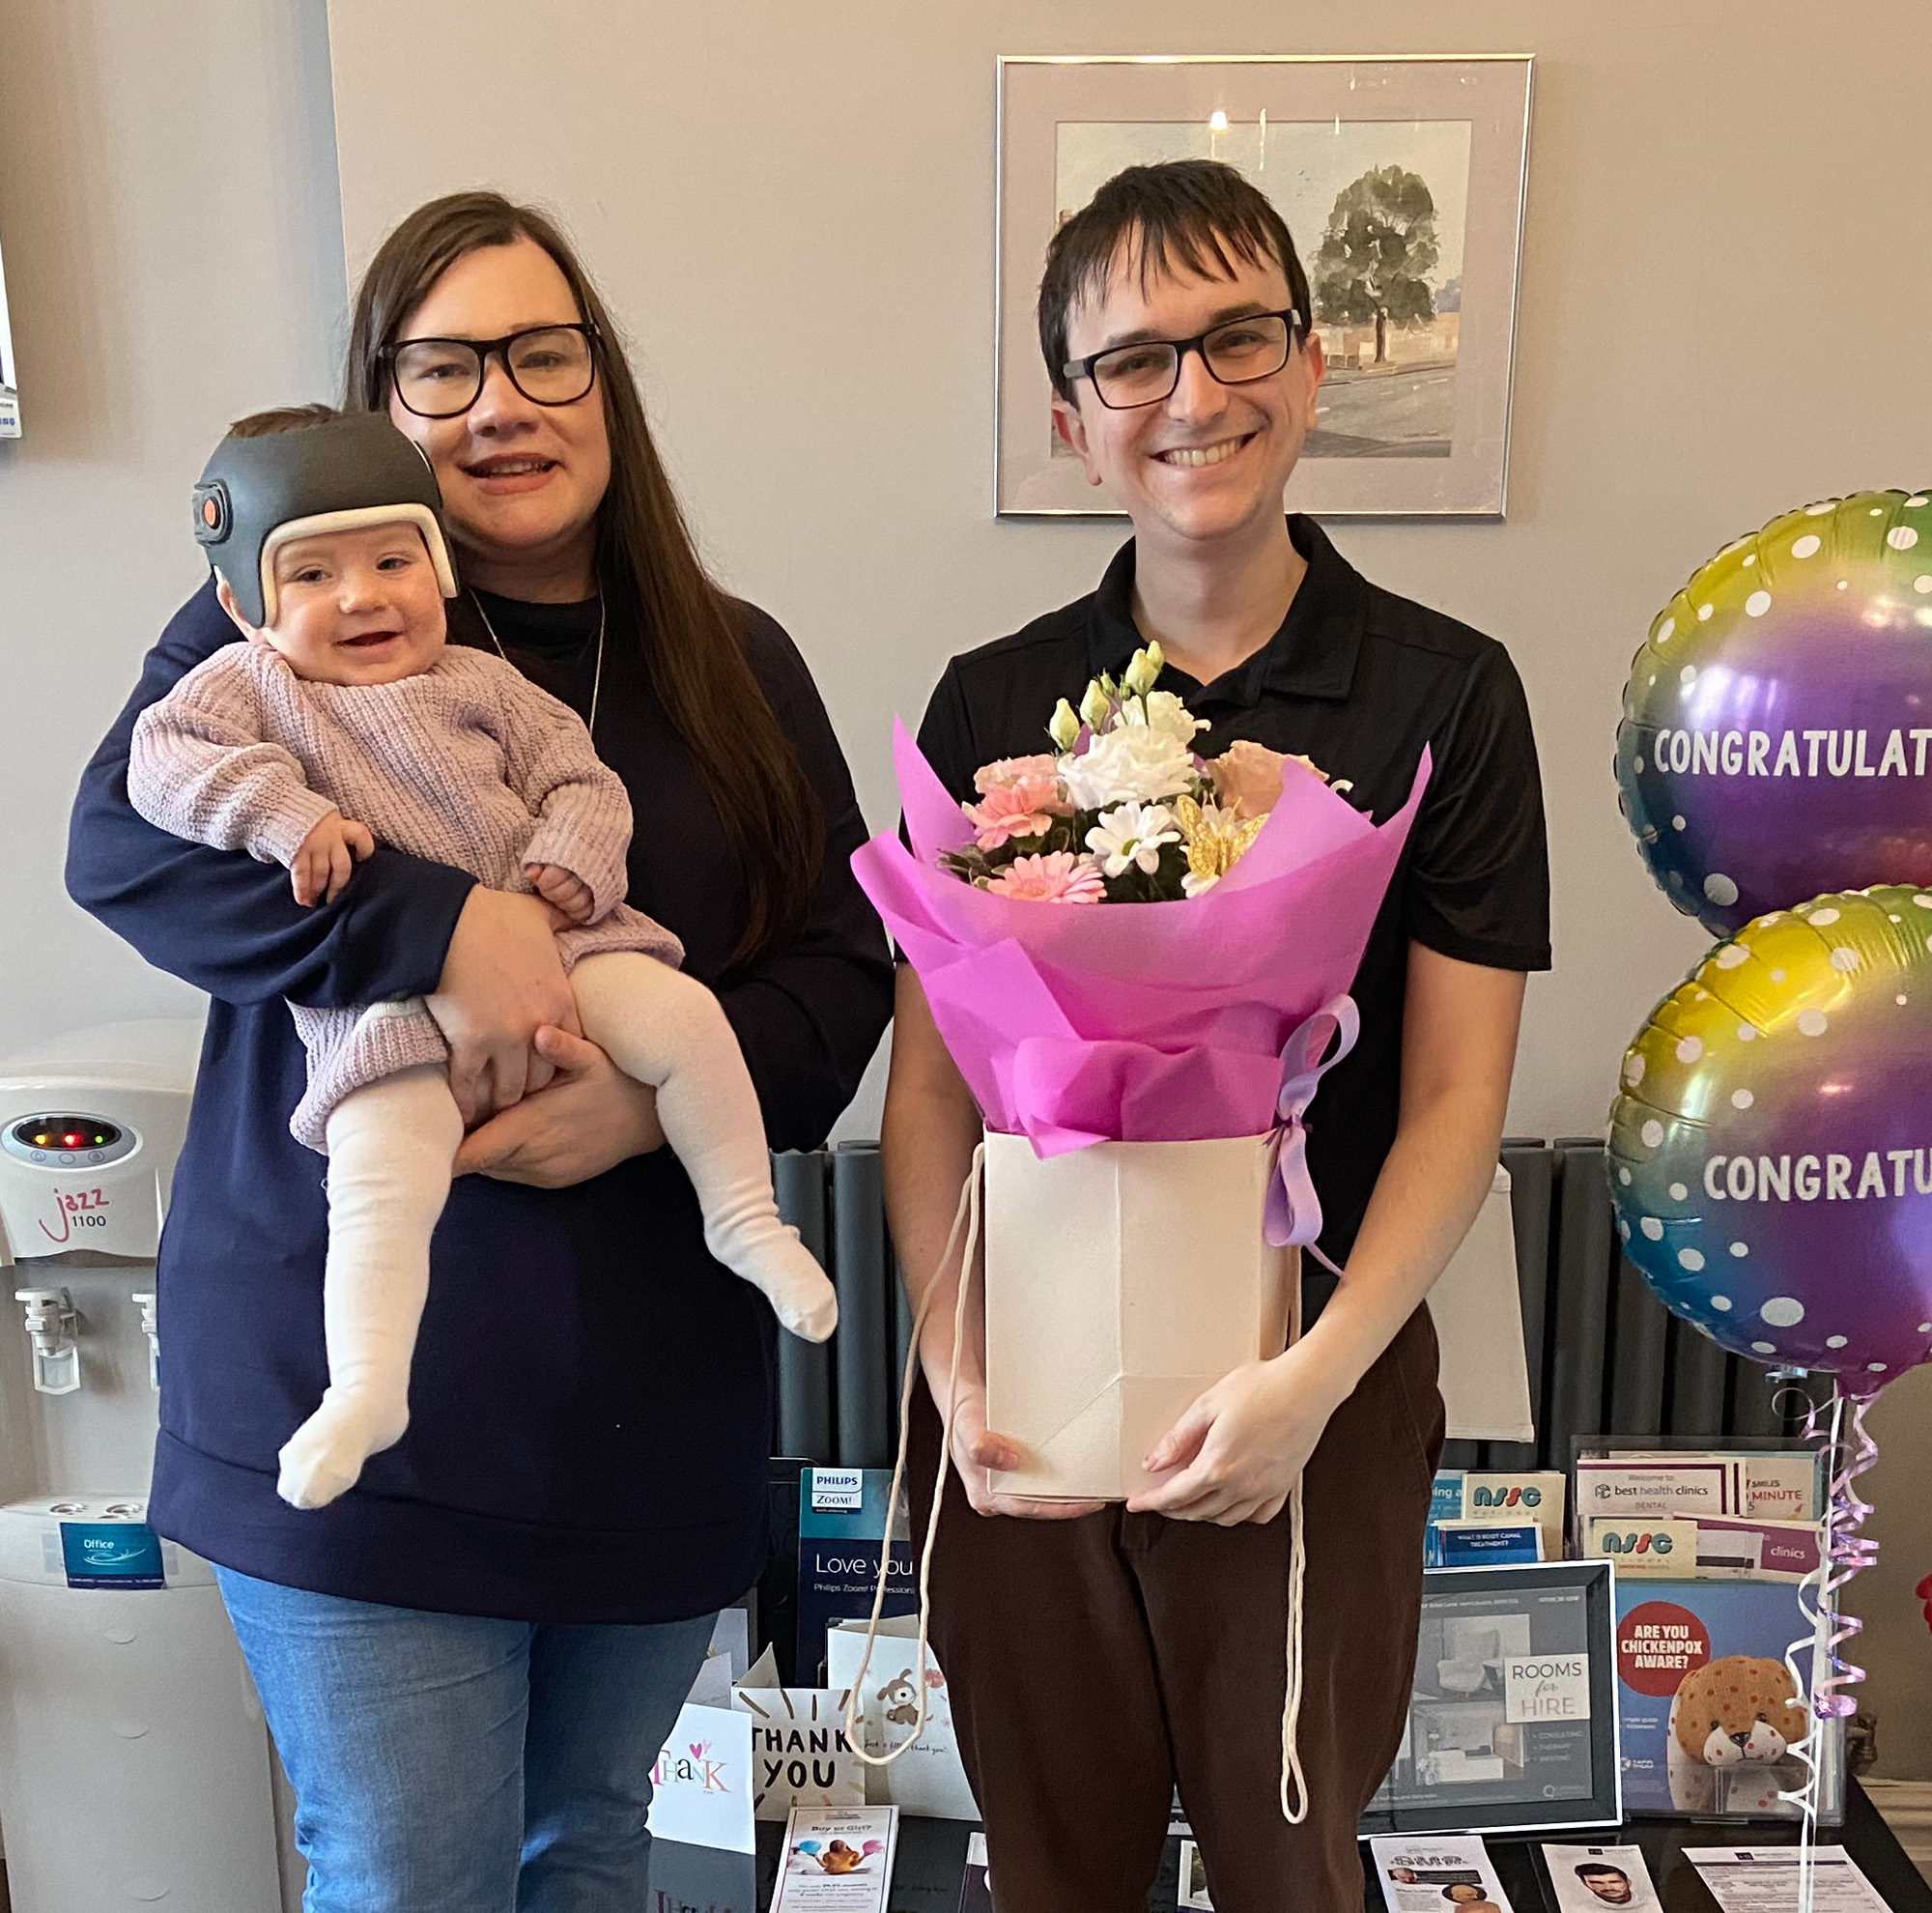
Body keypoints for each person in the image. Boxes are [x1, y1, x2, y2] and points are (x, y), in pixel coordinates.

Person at [68, 191, 892, 1911]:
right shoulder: (279, 623)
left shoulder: (734, 663)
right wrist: (445, 925)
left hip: (647, 1401)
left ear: (606, 387)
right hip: (359, 1394)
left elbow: (841, 954)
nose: (499, 404)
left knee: (593, 1857)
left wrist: (646, 1114)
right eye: (439, 369)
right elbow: (124, 848)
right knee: (411, 1875)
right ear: (379, 407)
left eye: (541, 354)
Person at [882, 159, 1548, 1912]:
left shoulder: (1445, 696)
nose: (1196, 395)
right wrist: (956, 1369)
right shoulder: (991, 700)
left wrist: (1311, 1391)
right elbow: (933, 1092)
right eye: (1136, 359)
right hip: (1022, 1377)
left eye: (1241, 334)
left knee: (1290, 1857)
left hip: (1310, 1380)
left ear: (1314, 365)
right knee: (1054, 1864)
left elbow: (1458, 1095)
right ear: (1071, 417)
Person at [127, 406, 838, 1512]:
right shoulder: (246, 687)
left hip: (570, 946)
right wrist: (279, 820)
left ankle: (744, 1217)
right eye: (310, 574)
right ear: (243, 605)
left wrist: (572, 860)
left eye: (391, 560)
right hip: (382, 1009)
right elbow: (158, 767)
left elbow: (582, 781)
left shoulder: (490, 683)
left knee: (688, 1024)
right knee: (376, 1173)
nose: (360, 595)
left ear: (439, 565)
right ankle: (366, 1384)